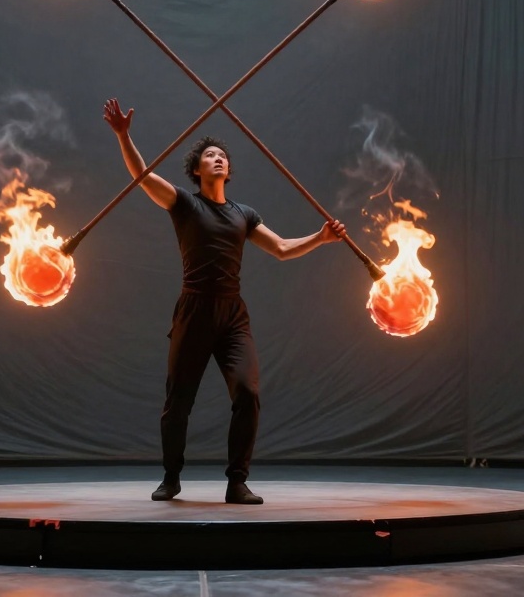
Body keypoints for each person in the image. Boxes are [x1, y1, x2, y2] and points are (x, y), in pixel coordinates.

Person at [103, 98, 346, 505]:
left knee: (248, 394)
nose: (217, 159)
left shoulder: (243, 214)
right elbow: (143, 177)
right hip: (194, 310)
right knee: (178, 401)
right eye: (209, 156)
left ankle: (237, 482)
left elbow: (282, 248)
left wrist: (320, 238)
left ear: (228, 170)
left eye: (222, 156)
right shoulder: (184, 204)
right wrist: (124, 137)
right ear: (197, 170)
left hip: (233, 314)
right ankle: (171, 476)